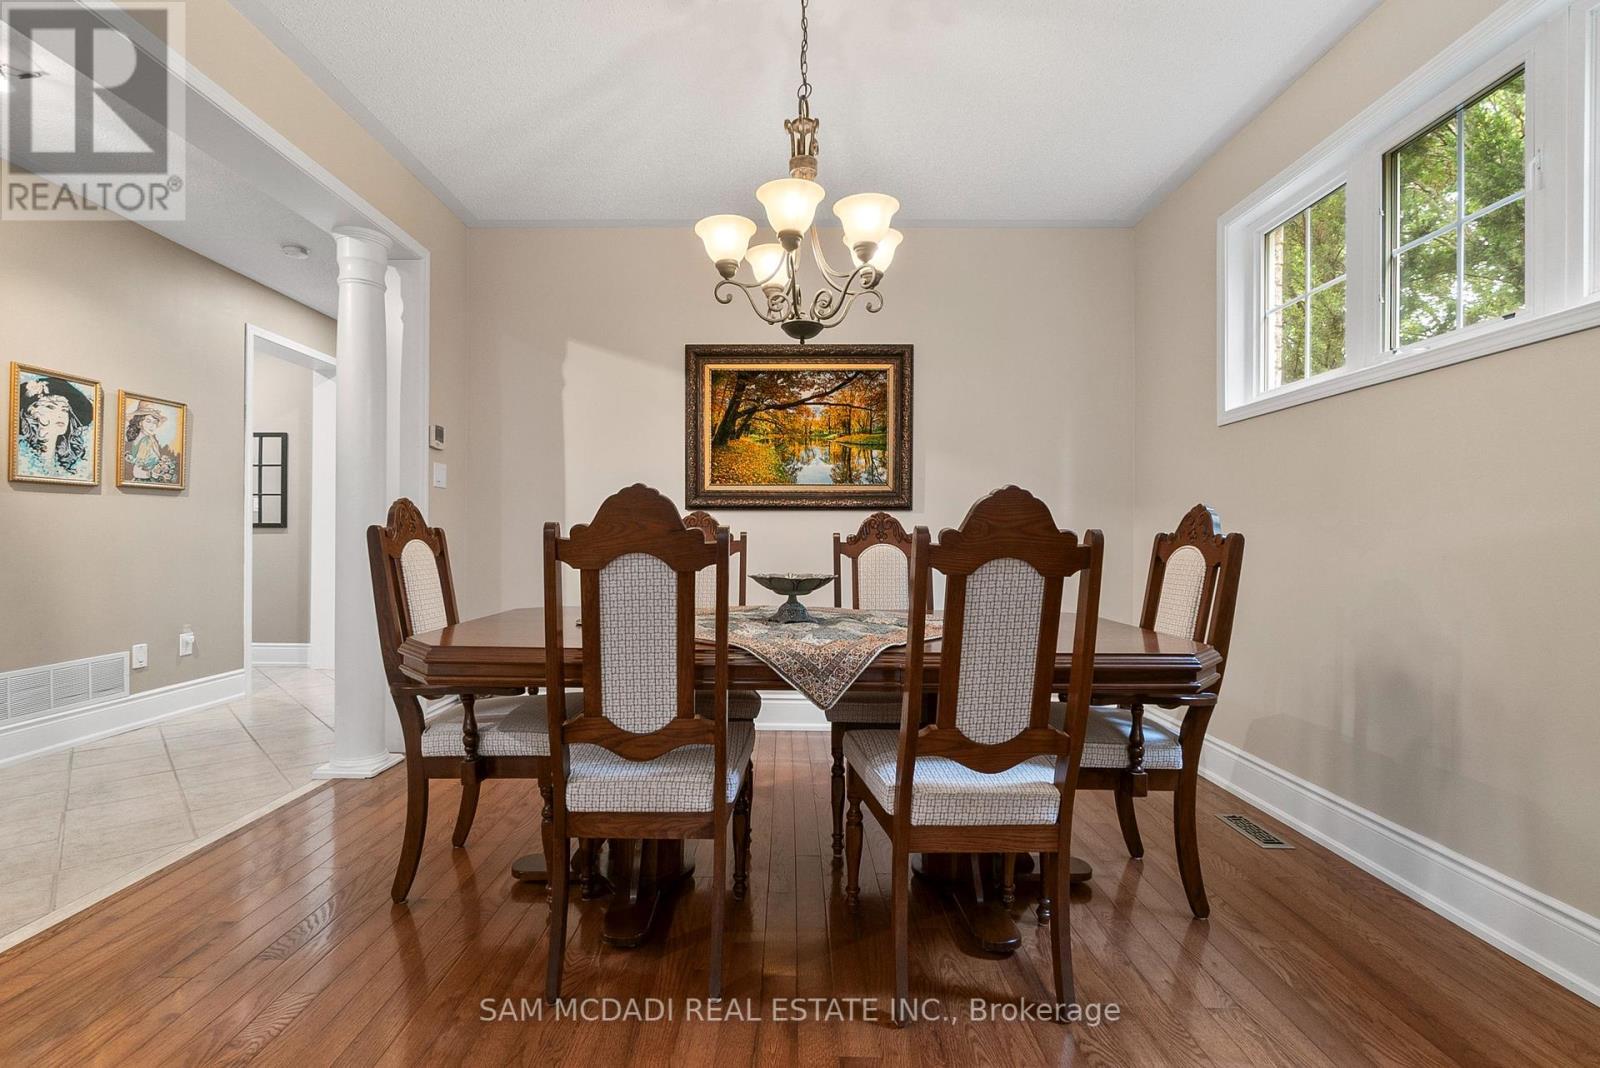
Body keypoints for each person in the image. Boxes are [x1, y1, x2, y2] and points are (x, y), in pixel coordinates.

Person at [15, 373, 93, 479]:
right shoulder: (21, 456)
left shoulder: (67, 465)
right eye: (50, 407)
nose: (60, 414)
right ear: (32, 411)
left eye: (64, 409)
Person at [123, 399, 169, 481]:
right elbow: (137, 472)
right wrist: (153, 474)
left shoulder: (145, 439)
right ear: (140, 422)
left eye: (155, 422)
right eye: (148, 421)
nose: (152, 426)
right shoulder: (146, 441)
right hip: (145, 481)